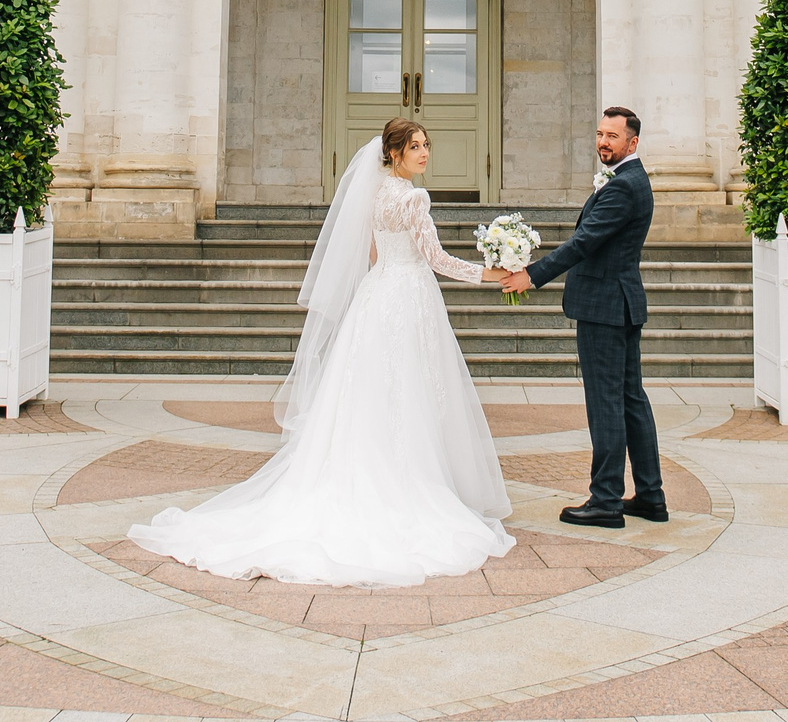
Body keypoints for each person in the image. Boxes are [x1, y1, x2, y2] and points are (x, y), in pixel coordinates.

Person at [127, 118, 514, 585]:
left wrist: (390, 280)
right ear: (393, 154)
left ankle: (369, 474)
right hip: (408, 298)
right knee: (407, 392)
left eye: (427, 145)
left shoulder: (375, 195)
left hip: (377, 299)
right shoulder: (414, 198)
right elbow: (438, 261)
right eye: (415, 147)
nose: (424, 153)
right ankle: (406, 482)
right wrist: (493, 273)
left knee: (370, 394)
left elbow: (373, 255)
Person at [501, 106, 663, 529]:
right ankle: (650, 496)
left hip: (606, 306)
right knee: (630, 401)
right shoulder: (627, 179)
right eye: (599, 133)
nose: (603, 142)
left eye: (612, 136)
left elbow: (584, 242)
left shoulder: (624, 186)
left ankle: (606, 500)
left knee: (607, 403)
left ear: (633, 143)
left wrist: (531, 276)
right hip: (619, 302)